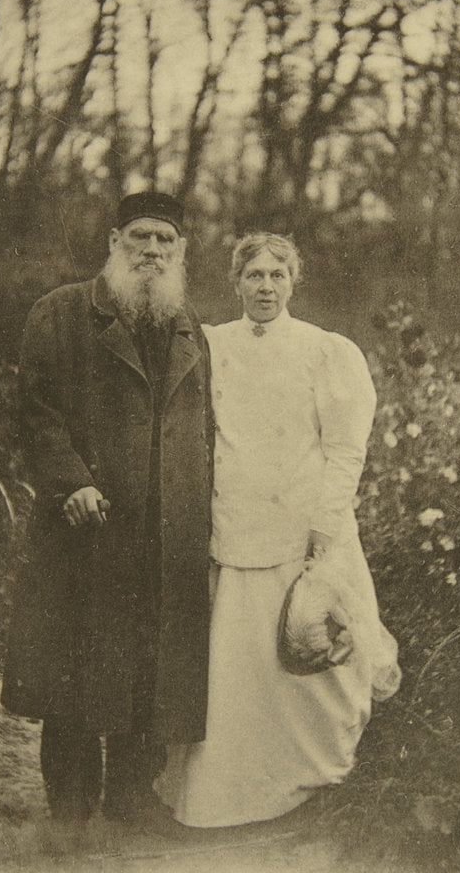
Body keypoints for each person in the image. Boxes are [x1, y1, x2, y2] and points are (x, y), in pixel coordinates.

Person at [155, 231, 400, 828]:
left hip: (305, 525)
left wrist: (326, 521)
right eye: (254, 276)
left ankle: (305, 782)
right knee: (237, 665)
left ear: (293, 282)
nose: (266, 287)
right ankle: (229, 794)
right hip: (233, 521)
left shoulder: (325, 352)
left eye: (277, 276)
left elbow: (345, 450)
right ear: (235, 282)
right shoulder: (210, 345)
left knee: (306, 656)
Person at [1, 192, 212, 830]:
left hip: (163, 531)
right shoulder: (61, 313)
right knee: (74, 667)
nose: (152, 251)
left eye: (165, 241)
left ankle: (132, 796)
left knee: (147, 666)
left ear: (181, 252)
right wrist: (71, 483)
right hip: (86, 526)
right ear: (114, 242)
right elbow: (35, 412)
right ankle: (69, 802)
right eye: (141, 237)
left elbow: (204, 426)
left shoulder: (185, 324)